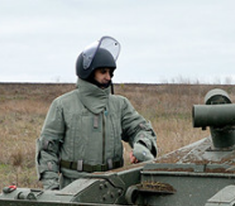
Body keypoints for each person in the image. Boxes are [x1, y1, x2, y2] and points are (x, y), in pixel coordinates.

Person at [36, 36, 158, 190]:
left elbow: (140, 129)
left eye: (111, 73)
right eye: (103, 72)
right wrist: (52, 190)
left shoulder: (119, 104)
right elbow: (47, 149)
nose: (108, 77)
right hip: (73, 187)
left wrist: (142, 145)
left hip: (114, 186)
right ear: (89, 71)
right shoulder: (63, 105)